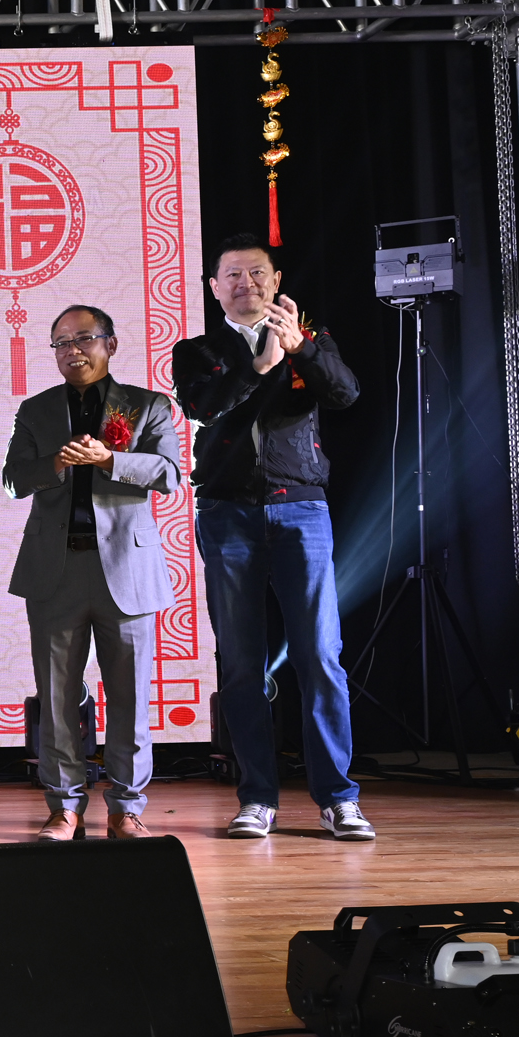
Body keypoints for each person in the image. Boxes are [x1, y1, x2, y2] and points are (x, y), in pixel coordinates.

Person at [172, 234, 371, 840]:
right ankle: (257, 797)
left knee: (320, 657)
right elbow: (204, 406)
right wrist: (258, 366)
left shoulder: (310, 337)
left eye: (256, 272)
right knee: (240, 664)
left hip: (301, 509)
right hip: (226, 513)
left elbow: (345, 393)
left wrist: (301, 348)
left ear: (276, 280)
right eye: (232, 275)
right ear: (214, 288)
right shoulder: (197, 351)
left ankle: (338, 798)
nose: (246, 283)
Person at [3, 305, 182, 841]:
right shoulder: (35, 411)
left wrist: (109, 459)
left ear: (111, 344)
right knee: (57, 697)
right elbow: (13, 480)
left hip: (126, 569)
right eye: (61, 342)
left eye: (84, 339)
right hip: (55, 570)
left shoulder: (148, 405)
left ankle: (126, 808)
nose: (73, 350)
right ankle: (64, 808)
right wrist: (56, 464)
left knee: (130, 697)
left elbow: (169, 475)